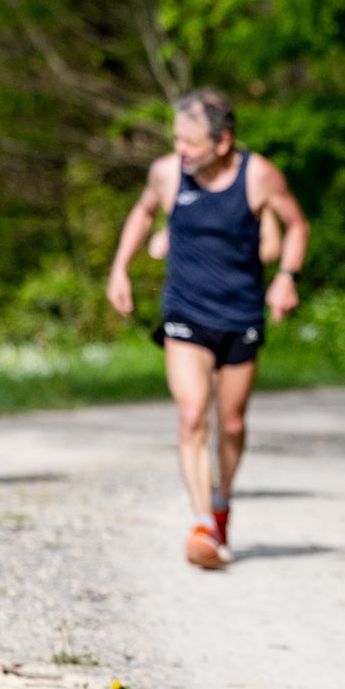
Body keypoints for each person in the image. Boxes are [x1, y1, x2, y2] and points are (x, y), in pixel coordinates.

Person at [105, 88, 311, 569]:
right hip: (185, 312)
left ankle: (221, 502)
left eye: (190, 143)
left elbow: (297, 226)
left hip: (240, 316)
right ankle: (201, 522)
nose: (181, 151)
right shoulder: (166, 173)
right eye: (177, 139)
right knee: (193, 414)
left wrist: (285, 278)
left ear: (222, 143)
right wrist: (120, 268)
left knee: (232, 422)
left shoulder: (257, 175)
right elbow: (142, 211)